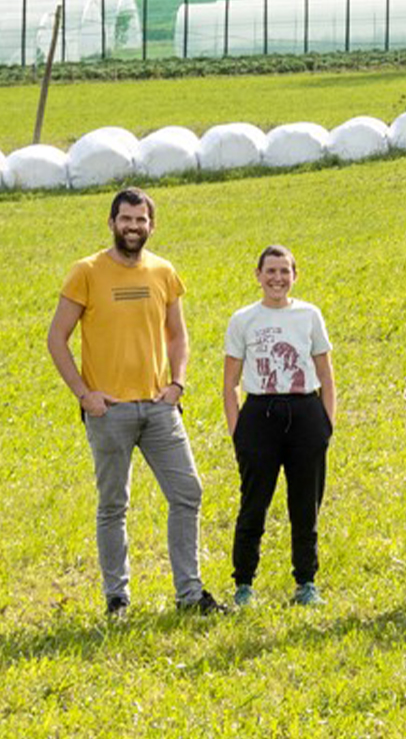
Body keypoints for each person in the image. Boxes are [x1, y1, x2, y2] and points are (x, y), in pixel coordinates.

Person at [47, 187, 229, 616]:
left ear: (152, 225)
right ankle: (118, 599)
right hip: (108, 411)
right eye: (125, 220)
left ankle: (189, 595)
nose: (133, 227)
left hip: (159, 408)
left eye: (140, 220)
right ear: (111, 223)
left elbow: (178, 335)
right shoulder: (86, 272)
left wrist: (177, 383)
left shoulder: (163, 272)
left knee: (188, 492)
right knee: (114, 504)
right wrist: (84, 394)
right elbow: (57, 338)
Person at [222, 245, 336, 607]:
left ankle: (306, 582)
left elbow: (325, 373)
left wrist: (326, 423)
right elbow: (230, 383)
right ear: (258, 275)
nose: (277, 278)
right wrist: (238, 431)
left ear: (294, 275)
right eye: (270, 271)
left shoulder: (309, 315)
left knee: (305, 504)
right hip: (260, 415)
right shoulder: (243, 319)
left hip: (305, 412)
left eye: (285, 271)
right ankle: (243, 584)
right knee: (254, 503)